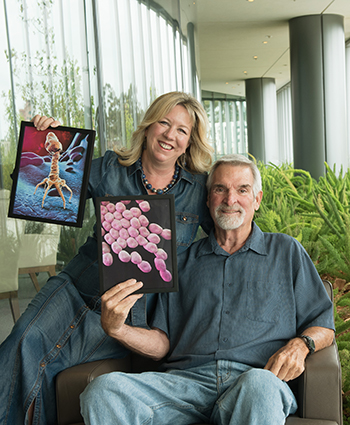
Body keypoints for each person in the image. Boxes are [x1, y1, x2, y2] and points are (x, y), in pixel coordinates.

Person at [0, 91, 214, 425]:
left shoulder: (198, 190)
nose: (170, 135)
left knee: (49, 362)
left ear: (190, 142)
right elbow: (35, 193)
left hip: (132, 310)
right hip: (77, 286)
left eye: (182, 130)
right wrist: (43, 142)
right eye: (164, 122)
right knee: (21, 343)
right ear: (148, 126)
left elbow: (229, 240)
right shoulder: (111, 168)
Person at [80, 154, 335, 425]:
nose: (230, 199)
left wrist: (302, 344)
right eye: (220, 189)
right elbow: (161, 343)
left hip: (253, 381)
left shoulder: (286, 251)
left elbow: (323, 324)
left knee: (261, 384)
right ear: (208, 199)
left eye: (242, 190)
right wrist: (117, 329)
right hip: (183, 384)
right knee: (102, 392)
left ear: (257, 199)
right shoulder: (179, 261)